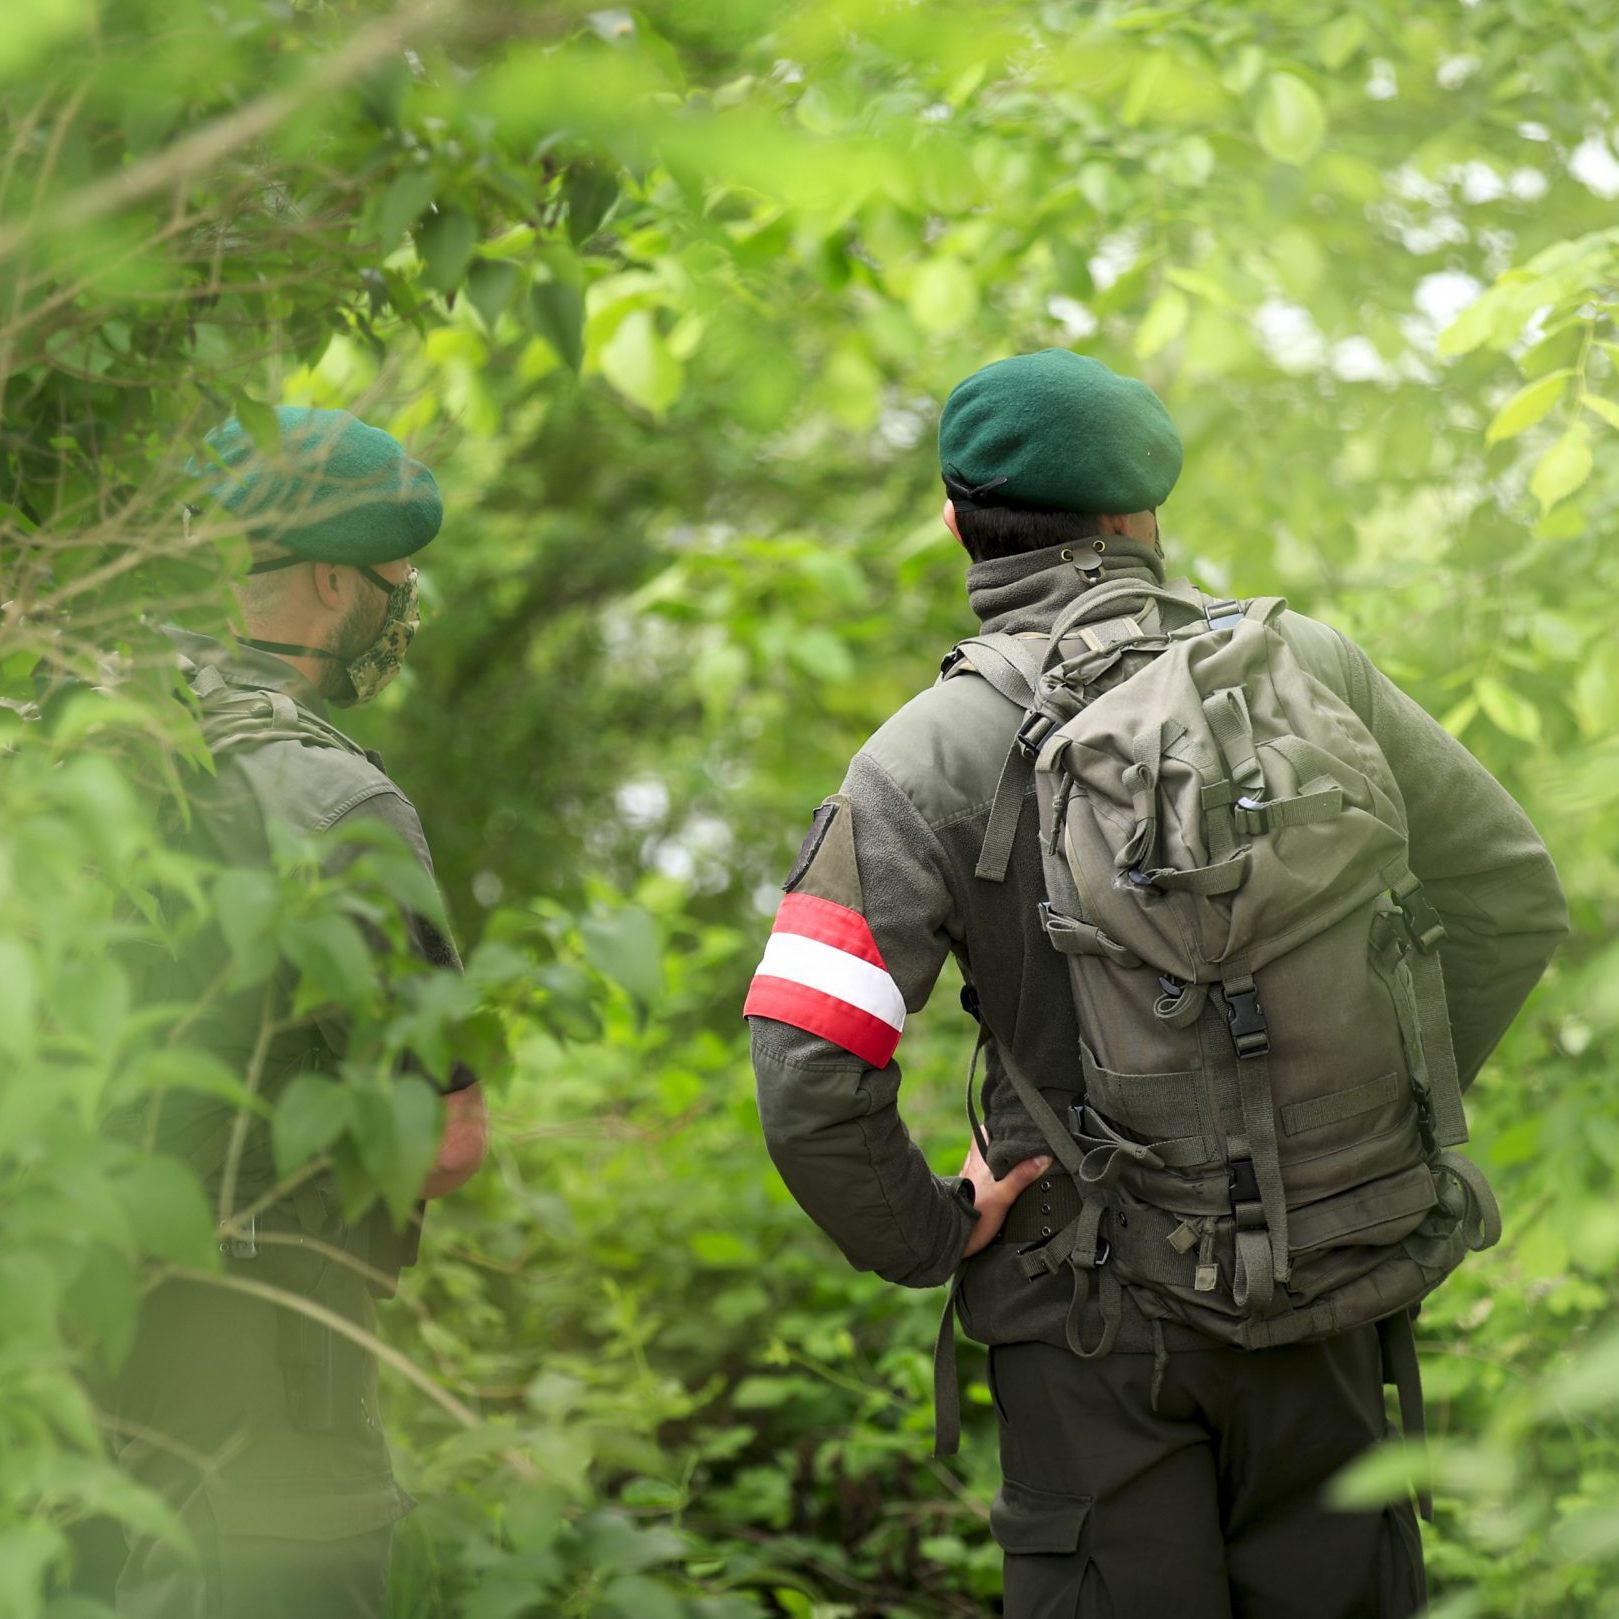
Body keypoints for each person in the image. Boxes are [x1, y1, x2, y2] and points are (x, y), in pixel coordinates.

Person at [745, 350, 1567, 1618]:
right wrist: (1351, 1119)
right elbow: (1509, 888)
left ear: (956, 522)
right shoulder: (1306, 674)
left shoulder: (924, 753)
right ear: (1140, 516)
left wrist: (926, 1229)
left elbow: (805, 1062)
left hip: (1084, 1325)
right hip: (1327, 1286)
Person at [110, 406, 488, 1618]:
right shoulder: (334, 802)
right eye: (394, 582)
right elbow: (441, 1141)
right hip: (260, 1400)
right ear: (334, 583)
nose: (400, 607)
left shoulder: (65, 730)